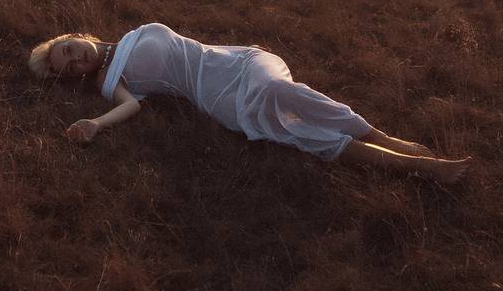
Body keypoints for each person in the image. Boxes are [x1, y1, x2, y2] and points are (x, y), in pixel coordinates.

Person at [28, 21, 470, 182]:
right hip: (214, 96)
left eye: (67, 48)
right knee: (290, 123)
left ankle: (385, 136)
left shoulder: (129, 35)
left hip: (235, 60)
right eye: (67, 68)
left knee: (281, 90)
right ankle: (414, 165)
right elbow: (132, 107)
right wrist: (96, 124)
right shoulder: (110, 80)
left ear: (75, 36)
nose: (73, 59)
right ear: (77, 77)